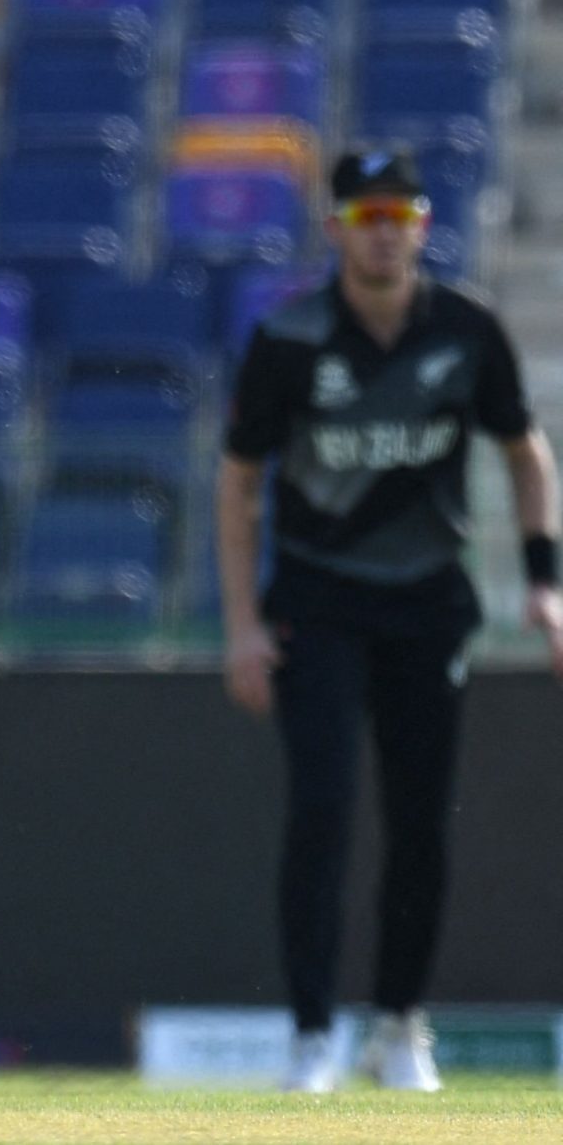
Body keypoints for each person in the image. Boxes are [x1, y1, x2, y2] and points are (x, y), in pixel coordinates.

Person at [218, 146, 563, 1093]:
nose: (384, 234)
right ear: (335, 228)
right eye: (367, 217)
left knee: (420, 821)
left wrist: (544, 580)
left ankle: (402, 1025)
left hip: (426, 603)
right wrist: (242, 622)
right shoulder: (289, 338)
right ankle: (311, 1036)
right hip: (318, 602)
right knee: (323, 809)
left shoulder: (466, 330)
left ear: (422, 228)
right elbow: (238, 482)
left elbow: (525, 452)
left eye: (400, 217)